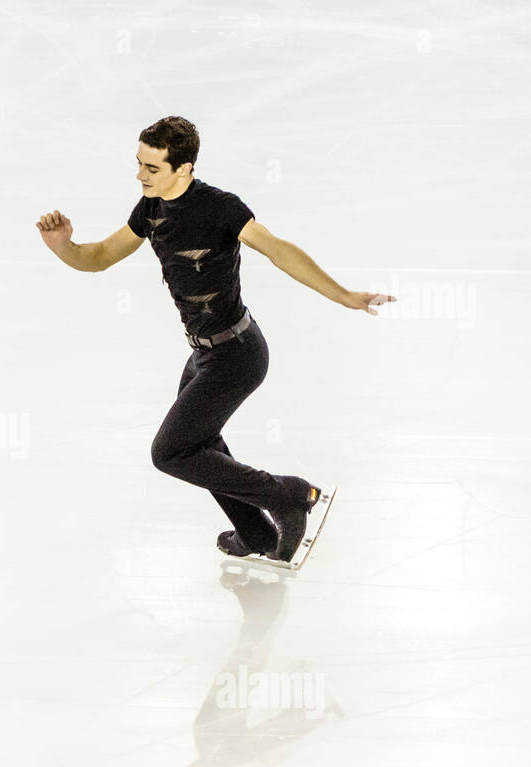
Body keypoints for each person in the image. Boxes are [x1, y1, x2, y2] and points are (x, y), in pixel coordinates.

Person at [36, 116, 393, 562]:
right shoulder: (150, 209)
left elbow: (277, 248)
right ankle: (258, 535)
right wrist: (62, 246)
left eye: (152, 168)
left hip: (237, 354)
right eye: (139, 164)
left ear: (183, 168)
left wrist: (341, 294)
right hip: (203, 354)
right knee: (200, 443)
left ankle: (288, 495)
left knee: (170, 452)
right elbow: (100, 257)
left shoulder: (220, 207)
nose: (140, 175)